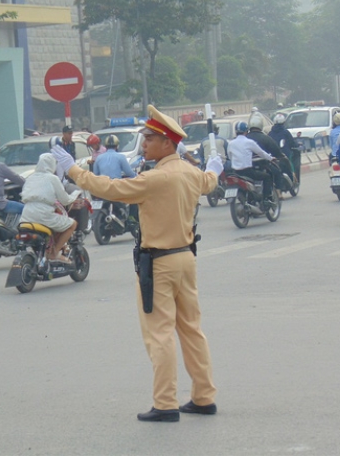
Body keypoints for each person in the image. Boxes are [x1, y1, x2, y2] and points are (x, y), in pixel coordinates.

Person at [51, 105, 222, 423]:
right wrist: (214, 166)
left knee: (160, 334)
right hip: (186, 258)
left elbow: (109, 188)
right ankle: (203, 396)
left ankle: (166, 403)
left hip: (159, 262)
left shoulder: (155, 178)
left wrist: (73, 170)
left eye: (149, 139)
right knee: (192, 330)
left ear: (167, 143)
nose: (144, 144)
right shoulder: (190, 173)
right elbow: (210, 181)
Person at [20, 153, 79, 263]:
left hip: (26, 215)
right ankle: (54, 253)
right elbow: (65, 200)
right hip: (43, 215)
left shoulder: (30, 178)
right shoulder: (53, 178)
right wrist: (74, 195)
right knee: (72, 224)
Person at [227, 121, 275, 203]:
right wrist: (271, 158)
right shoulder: (249, 142)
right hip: (248, 172)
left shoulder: (231, 144)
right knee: (267, 177)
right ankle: (267, 199)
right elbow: (261, 153)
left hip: (235, 173)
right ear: (246, 131)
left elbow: (230, 156)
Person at [246, 113, 288, 192]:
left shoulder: (246, 138)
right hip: (264, 165)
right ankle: (279, 192)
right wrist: (280, 156)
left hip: (248, 167)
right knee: (277, 172)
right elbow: (276, 150)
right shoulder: (266, 138)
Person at [268, 113, 297, 182]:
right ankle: (294, 178)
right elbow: (292, 143)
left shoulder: (270, 133)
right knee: (290, 162)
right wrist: (297, 145)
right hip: (285, 154)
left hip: (273, 156)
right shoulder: (286, 132)